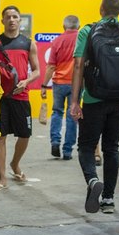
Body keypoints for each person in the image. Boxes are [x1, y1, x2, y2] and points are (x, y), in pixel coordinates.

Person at [70, 0, 119, 214]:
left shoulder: (88, 31)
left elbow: (79, 67)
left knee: (85, 146)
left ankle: (92, 181)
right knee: (112, 148)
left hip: (93, 98)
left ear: (101, 8)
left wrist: (74, 101)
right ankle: (109, 199)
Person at [0, 5, 40, 190]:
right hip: (0, 98)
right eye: (7, 17)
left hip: (21, 95)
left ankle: (15, 164)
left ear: (19, 20)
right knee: (1, 136)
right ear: (2, 21)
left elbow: (37, 71)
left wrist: (25, 82)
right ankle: (2, 178)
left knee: (25, 134)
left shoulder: (28, 43)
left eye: (15, 16)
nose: (11, 20)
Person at [41, 15, 80, 160]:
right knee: (72, 116)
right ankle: (68, 151)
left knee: (57, 112)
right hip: (76, 84)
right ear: (78, 27)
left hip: (59, 83)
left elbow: (51, 66)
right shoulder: (82, 40)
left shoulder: (57, 41)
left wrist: (44, 85)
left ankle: (55, 142)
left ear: (64, 26)